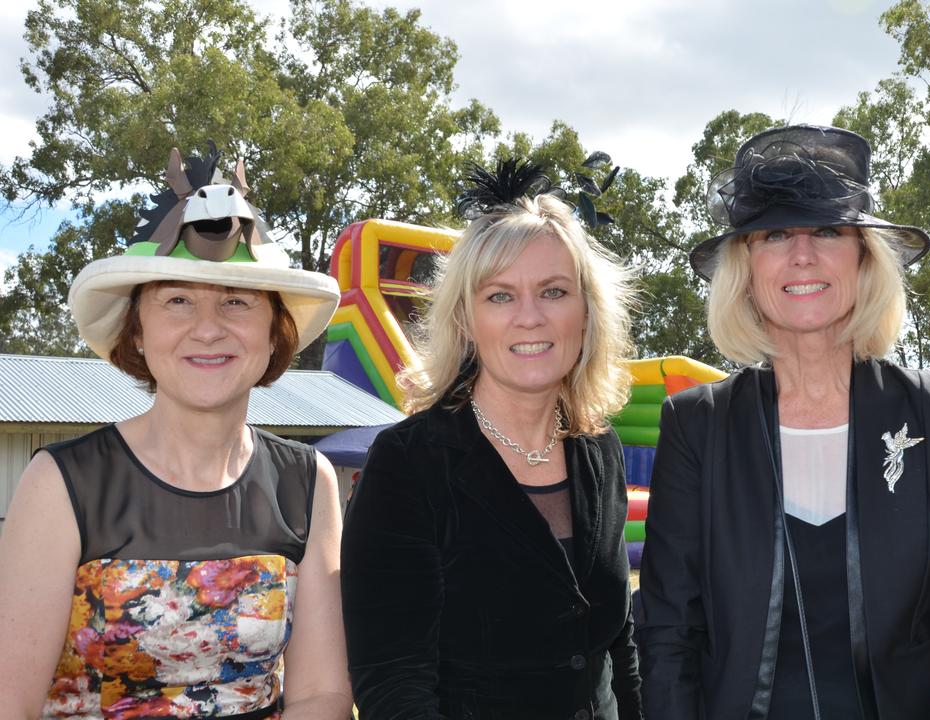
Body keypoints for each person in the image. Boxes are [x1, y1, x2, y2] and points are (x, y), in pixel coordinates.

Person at [636, 124, 930, 719]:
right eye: (776, 233)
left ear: (864, 259)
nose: (802, 255)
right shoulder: (696, 425)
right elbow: (669, 634)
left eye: (829, 231)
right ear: (746, 266)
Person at [0, 144, 350, 718]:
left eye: (236, 301)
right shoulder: (63, 483)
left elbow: (321, 693)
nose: (207, 329)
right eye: (178, 301)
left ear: (273, 332)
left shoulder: (310, 481)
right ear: (137, 332)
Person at [341, 159, 644, 720]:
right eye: (500, 296)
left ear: (586, 313)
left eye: (553, 291)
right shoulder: (409, 464)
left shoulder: (599, 449)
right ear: (465, 320)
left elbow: (616, 645)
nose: (529, 317)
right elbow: (393, 681)